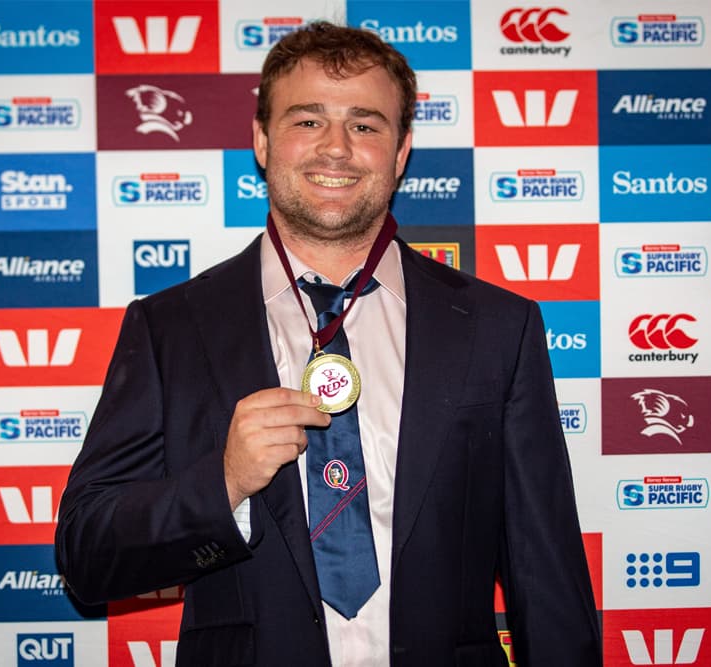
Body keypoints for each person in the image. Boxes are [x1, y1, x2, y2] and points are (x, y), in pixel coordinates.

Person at [55, 21, 601, 667]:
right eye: (307, 121)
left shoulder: (497, 328)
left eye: (366, 125)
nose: (336, 148)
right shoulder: (170, 327)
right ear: (262, 140)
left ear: (400, 154)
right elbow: (87, 558)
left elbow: (548, 578)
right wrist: (223, 482)